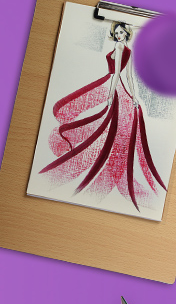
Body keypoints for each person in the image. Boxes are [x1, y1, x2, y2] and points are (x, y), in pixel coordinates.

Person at [38, 22, 164, 209]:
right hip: (120, 88)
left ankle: (79, 145)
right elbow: (129, 77)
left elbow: (118, 74)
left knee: (103, 122)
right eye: (117, 32)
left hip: (112, 85)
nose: (119, 35)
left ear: (126, 34)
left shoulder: (119, 47)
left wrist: (111, 94)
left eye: (122, 32)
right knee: (106, 124)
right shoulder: (128, 50)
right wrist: (133, 96)